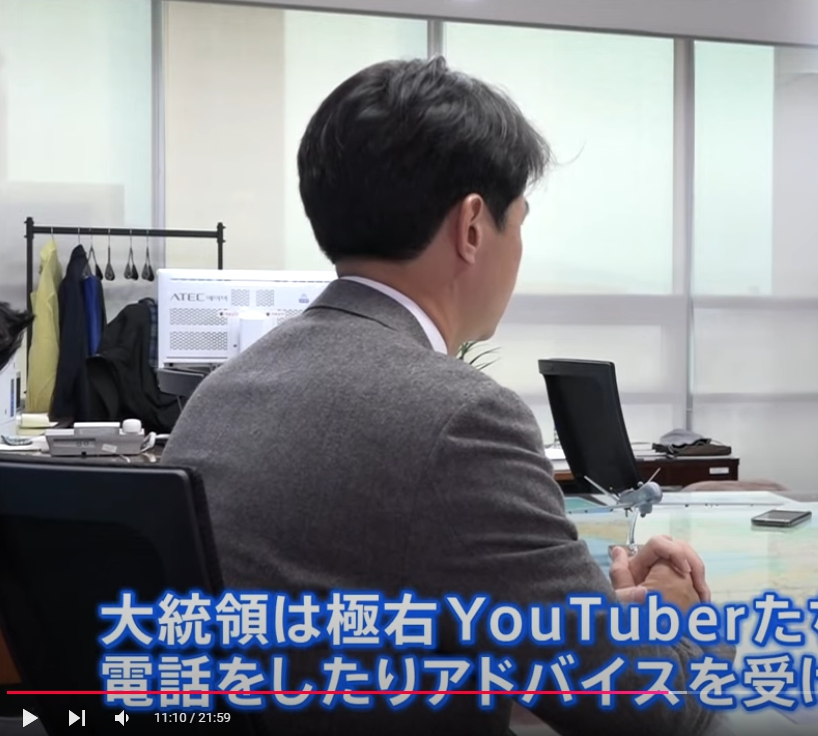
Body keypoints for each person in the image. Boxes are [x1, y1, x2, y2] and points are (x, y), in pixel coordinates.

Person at [162, 56, 732, 735]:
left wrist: (588, 611)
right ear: (472, 228)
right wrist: (676, 619)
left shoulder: (219, 394)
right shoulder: (460, 419)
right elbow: (645, 713)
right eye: (518, 221)